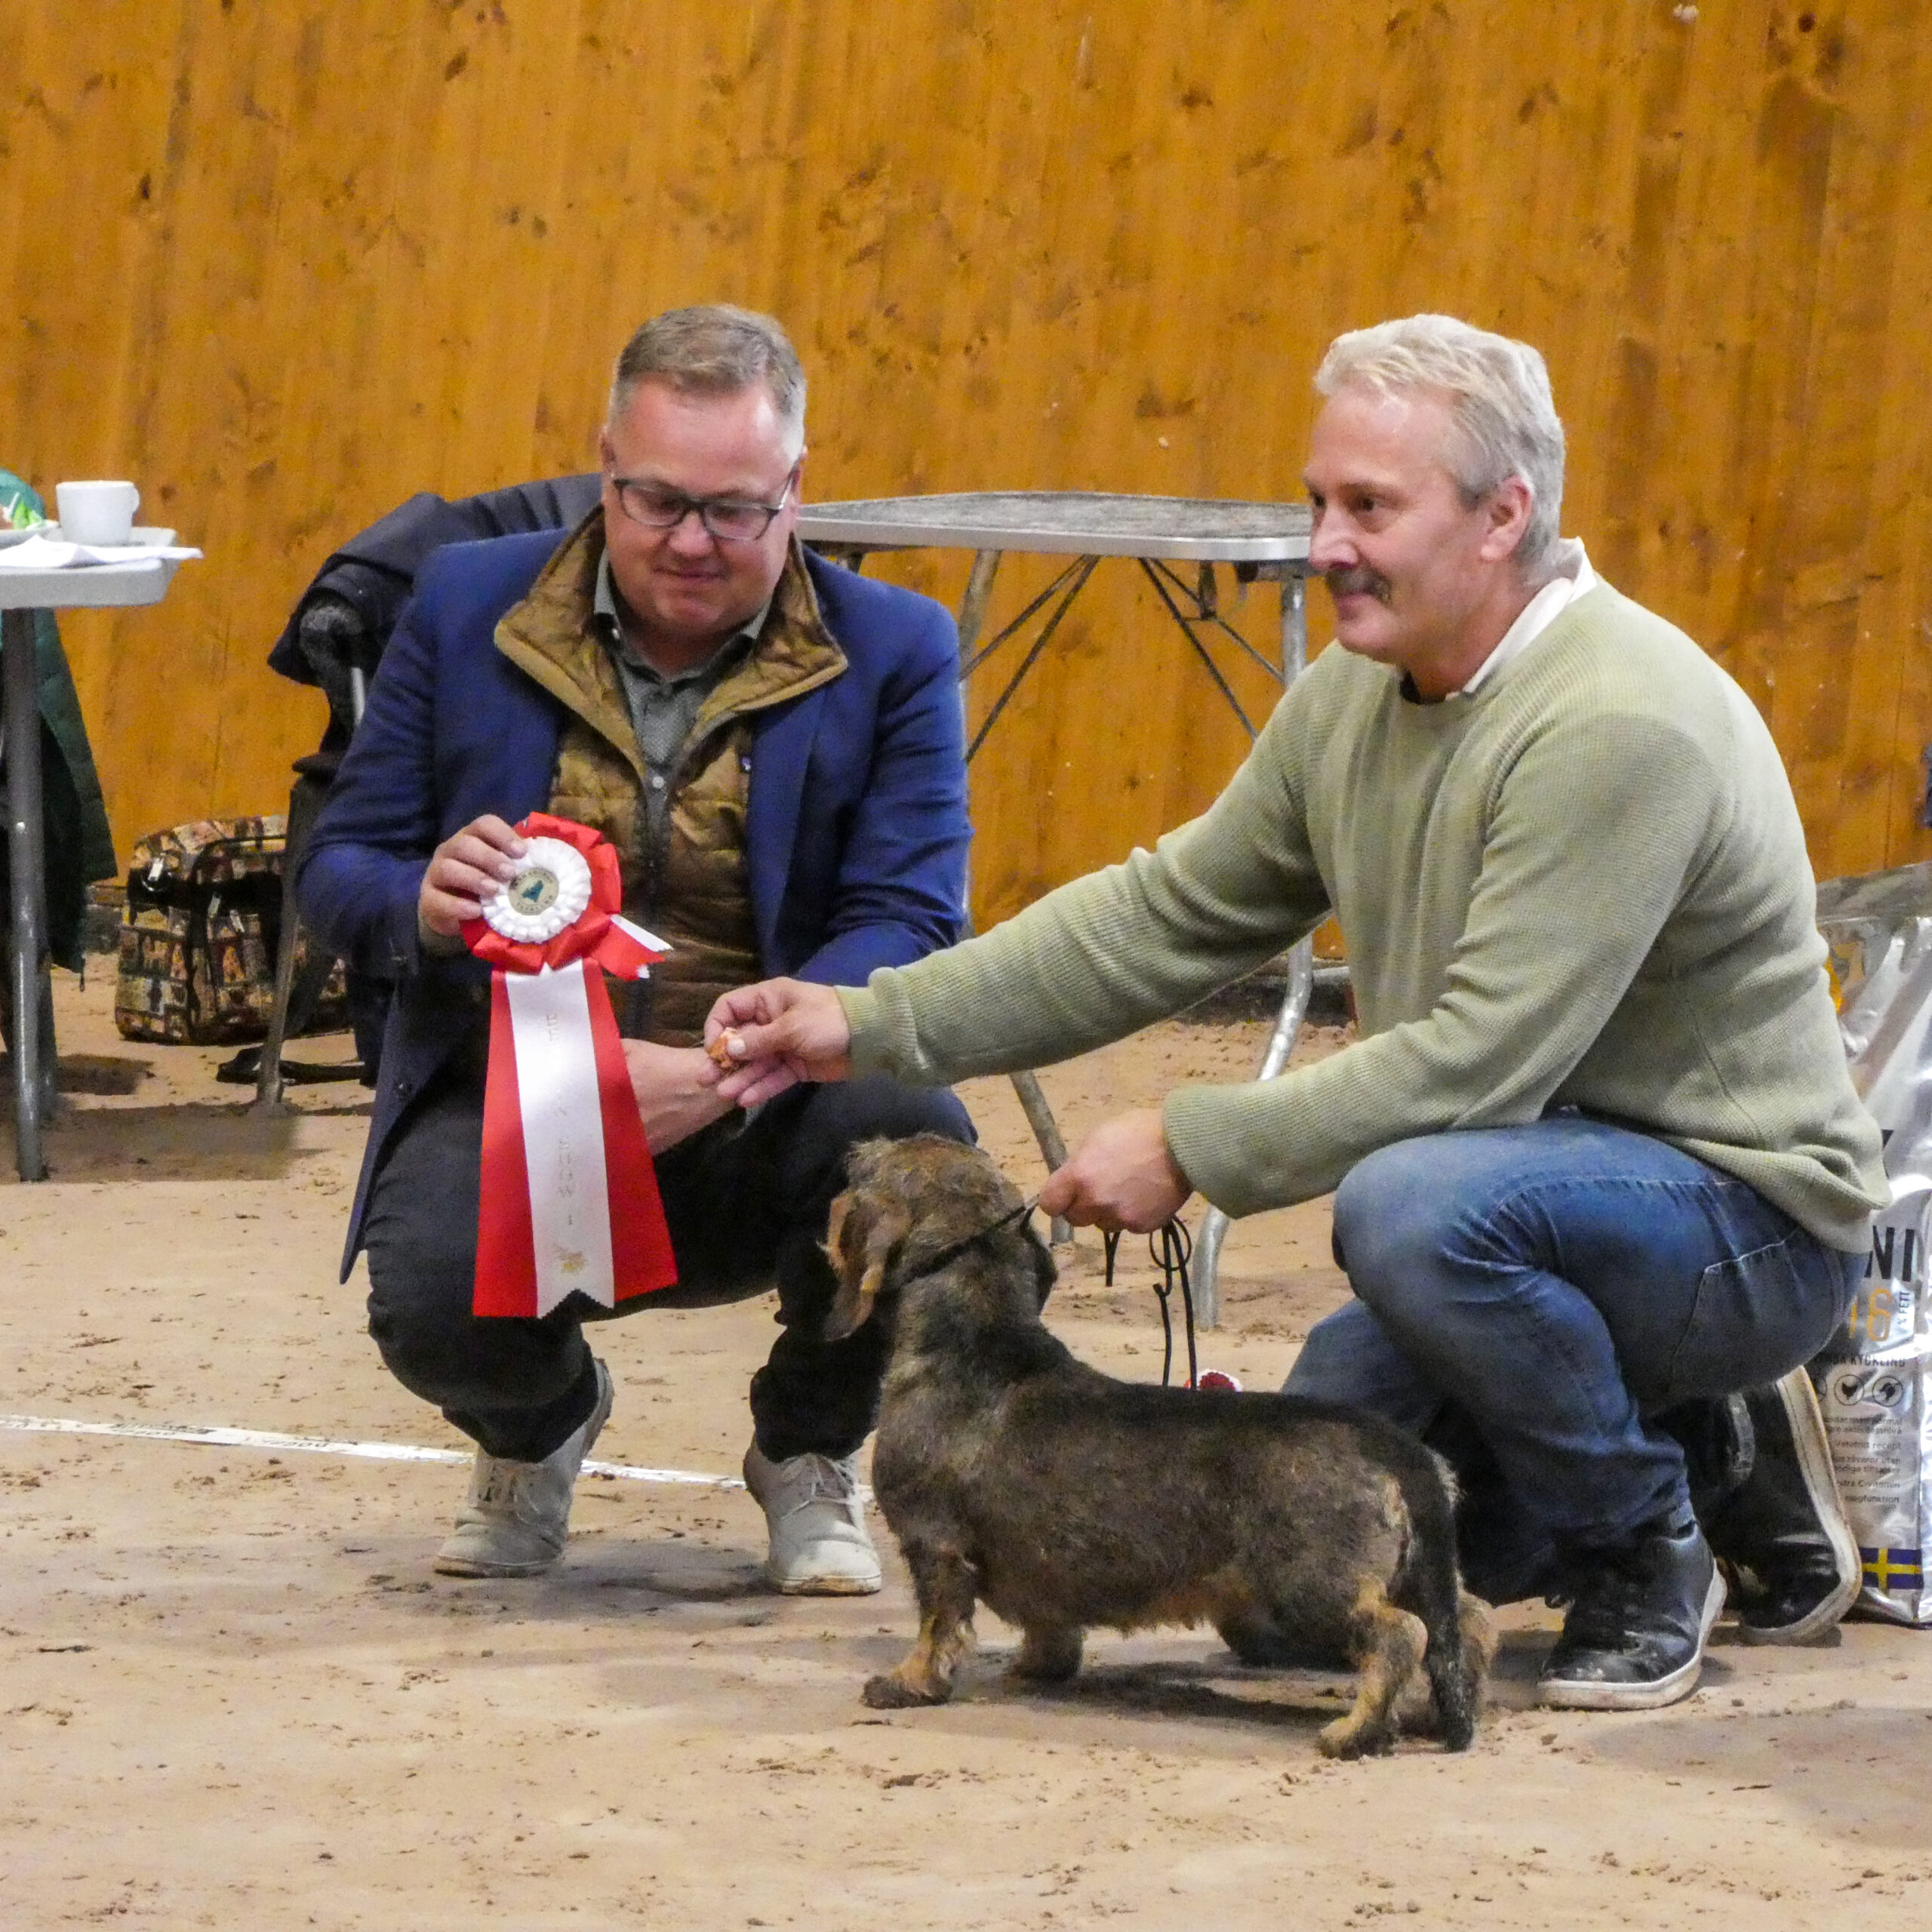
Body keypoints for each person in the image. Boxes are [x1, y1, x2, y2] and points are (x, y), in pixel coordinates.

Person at [706, 314, 1887, 1710]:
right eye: (1319, 501)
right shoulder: (1354, 696)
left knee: (1415, 1211)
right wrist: (865, 1019)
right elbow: (1164, 917)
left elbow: (1481, 1065)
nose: (1323, 542)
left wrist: (1194, 1144)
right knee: (1281, 1580)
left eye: (1369, 508)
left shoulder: (1618, 724)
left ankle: (1644, 1541)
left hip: (1738, 1224)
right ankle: (1708, 1440)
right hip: (1527, 1197)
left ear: (1503, 515)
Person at [299, 304, 974, 1593]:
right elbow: (338, 865)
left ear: (796, 490)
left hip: (777, 1088)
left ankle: (807, 1450)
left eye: (735, 511)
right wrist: (421, 902)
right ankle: (536, 1430)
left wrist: (734, 1059)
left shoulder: (894, 646)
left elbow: (914, 918)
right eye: (655, 500)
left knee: (944, 1206)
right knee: (430, 1299)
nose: (691, 542)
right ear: (603, 459)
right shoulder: (461, 604)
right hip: (515, 1096)